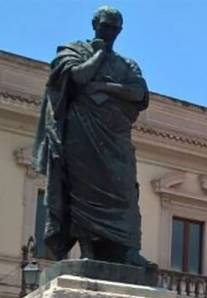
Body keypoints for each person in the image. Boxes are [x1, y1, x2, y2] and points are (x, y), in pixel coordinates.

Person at [33, 6, 153, 267]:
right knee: (83, 190)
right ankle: (88, 248)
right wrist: (100, 54)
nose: (110, 32)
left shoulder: (126, 64)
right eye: (106, 26)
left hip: (116, 138)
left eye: (115, 28)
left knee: (126, 193)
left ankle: (126, 250)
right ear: (94, 25)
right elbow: (77, 76)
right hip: (82, 133)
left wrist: (105, 86)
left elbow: (140, 94)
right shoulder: (72, 50)